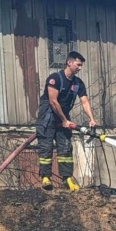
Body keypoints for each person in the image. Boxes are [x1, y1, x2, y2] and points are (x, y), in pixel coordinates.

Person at [36, 51, 97, 191]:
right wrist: (64, 120)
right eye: (78, 64)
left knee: (65, 147)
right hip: (48, 117)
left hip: (63, 116)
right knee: (46, 147)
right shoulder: (55, 79)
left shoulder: (78, 83)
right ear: (69, 63)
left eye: (81, 65)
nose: (80, 68)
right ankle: (46, 178)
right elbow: (53, 101)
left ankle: (67, 178)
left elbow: (85, 102)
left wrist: (92, 119)